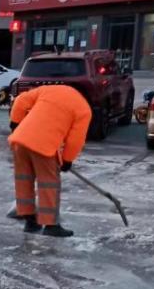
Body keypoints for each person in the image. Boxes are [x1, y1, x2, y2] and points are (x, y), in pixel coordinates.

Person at [7, 85, 91, 237]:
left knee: (23, 180)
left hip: (19, 141)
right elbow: (75, 139)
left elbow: (20, 100)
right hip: (44, 146)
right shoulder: (83, 109)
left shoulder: (49, 90)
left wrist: (15, 122)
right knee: (49, 184)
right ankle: (51, 225)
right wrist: (67, 160)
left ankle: (30, 222)